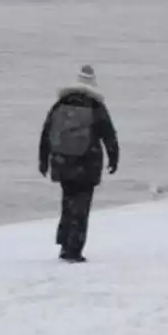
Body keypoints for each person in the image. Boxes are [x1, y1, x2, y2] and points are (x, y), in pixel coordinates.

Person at [39, 65, 119, 263]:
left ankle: (65, 244)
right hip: (87, 162)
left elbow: (47, 132)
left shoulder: (60, 104)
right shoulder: (95, 107)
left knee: (67, 203)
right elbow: (109, 134)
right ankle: (74, 250)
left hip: (62, 162)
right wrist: (113, 158)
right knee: (81, 207)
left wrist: (43, 160)